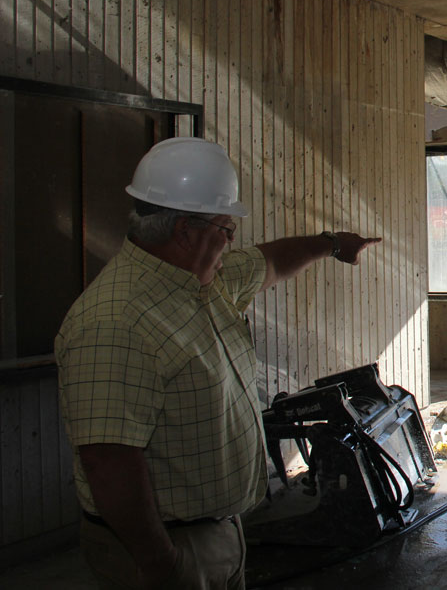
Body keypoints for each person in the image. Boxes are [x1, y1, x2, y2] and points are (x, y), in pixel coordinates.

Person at [55, 137, 381, 589]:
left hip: (216, 535)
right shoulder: (117, 322)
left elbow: (270, 261)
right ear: (185, 231)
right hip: (162, 551)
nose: (232, 243)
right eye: (226, 231)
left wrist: (332, 244)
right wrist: (163, 564)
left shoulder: (204, 282)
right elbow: (108, 462)